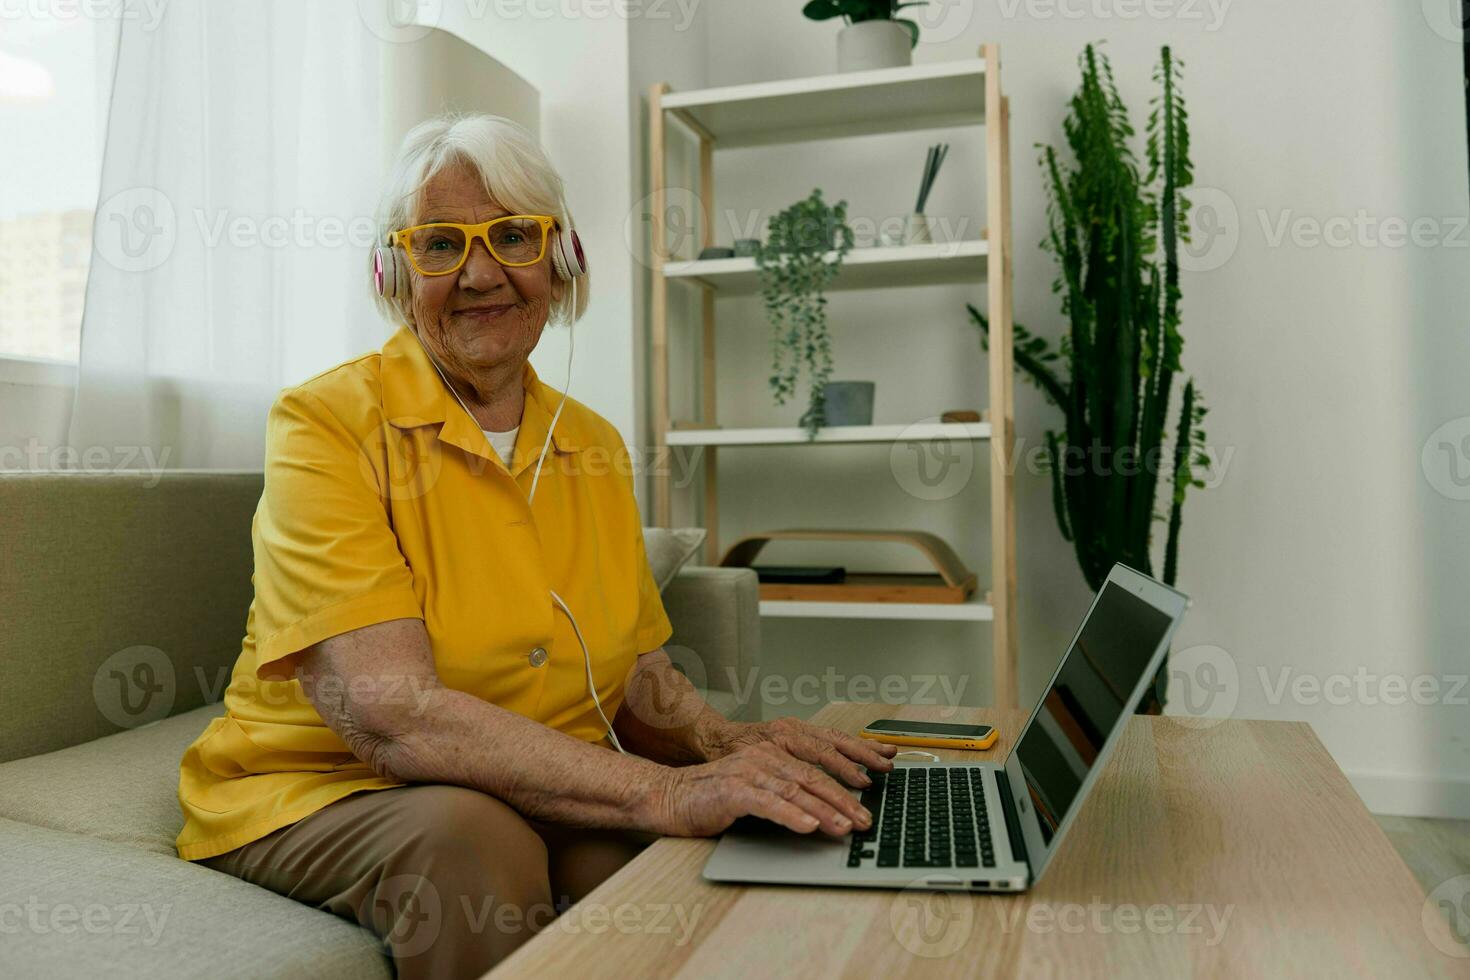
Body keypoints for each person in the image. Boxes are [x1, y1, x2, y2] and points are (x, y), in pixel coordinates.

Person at [175, 113, 895, 979]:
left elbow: (633, 672)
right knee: (474, 841)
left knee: (683, 864)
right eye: (440, 245)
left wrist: (730, 745)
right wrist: (663, 790)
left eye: (512, 236)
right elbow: (390, 715)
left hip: (524, 777)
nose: (481, 273)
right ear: (394, 274)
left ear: (561, 260)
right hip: (322, 786)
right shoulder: (325, 424)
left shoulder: (591, 441)